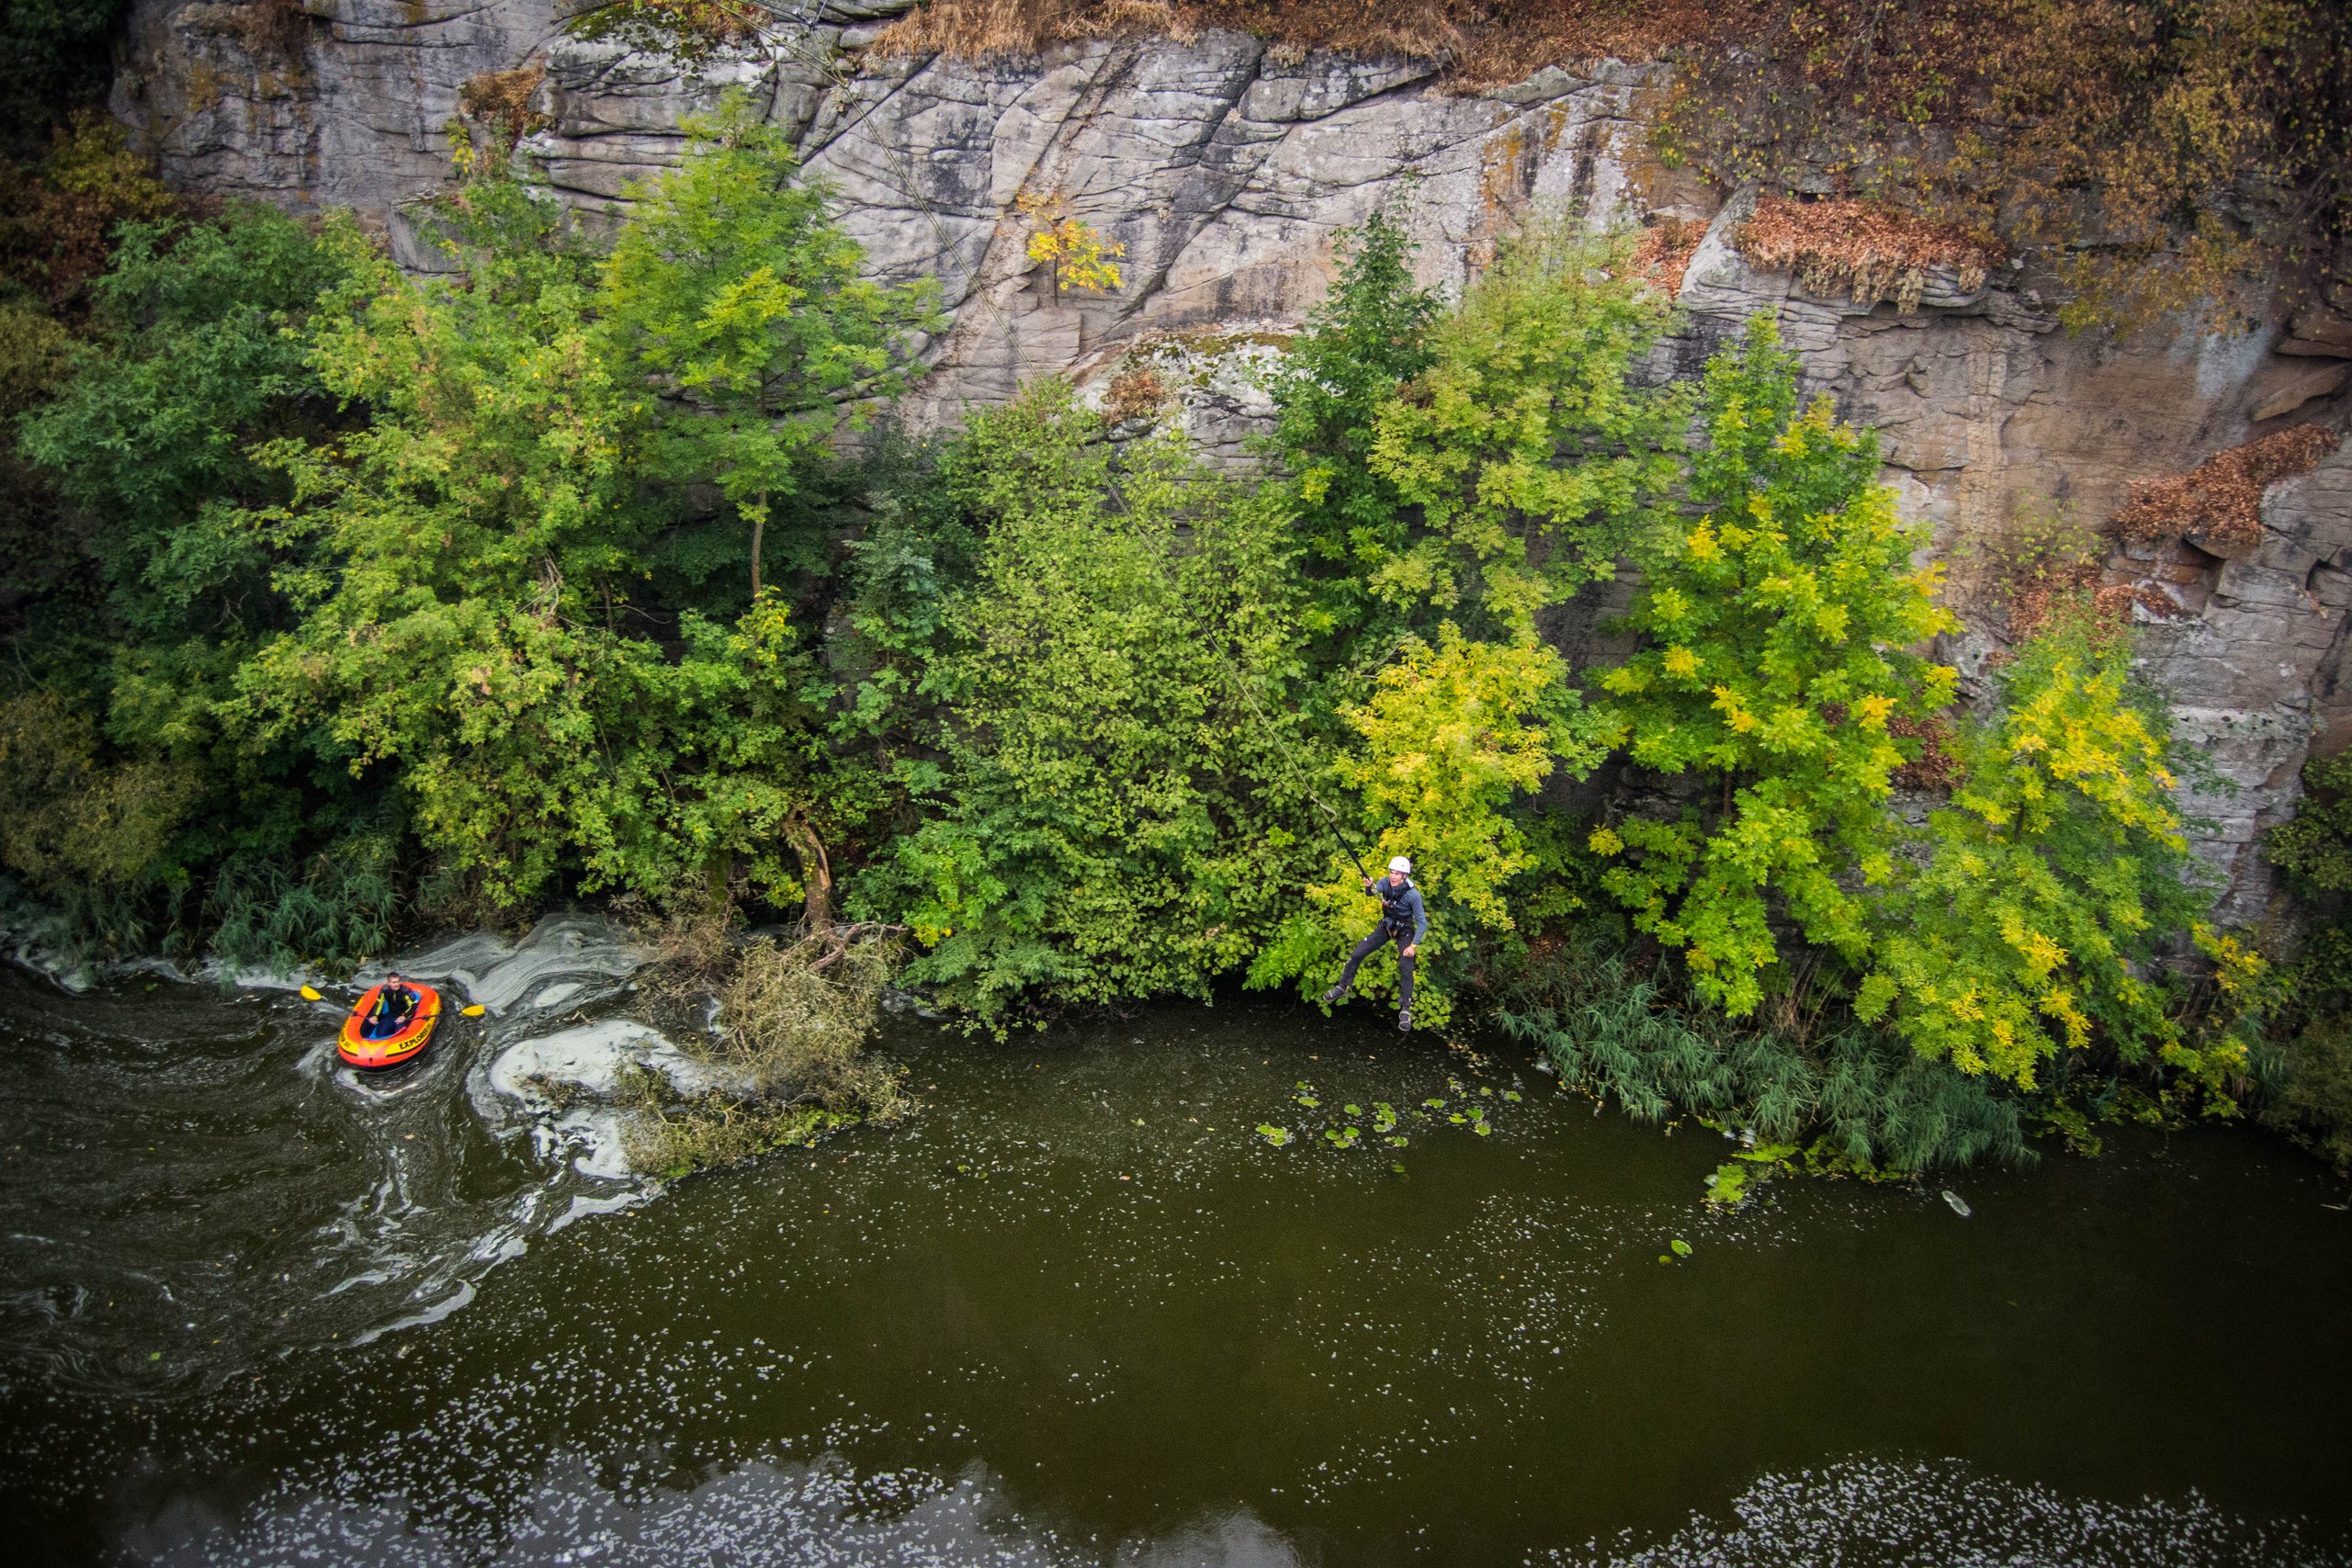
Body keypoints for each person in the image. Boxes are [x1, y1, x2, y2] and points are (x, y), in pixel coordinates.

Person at [1322, 856, 1427, 1032]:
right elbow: (1371, 893)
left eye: (1397, 874)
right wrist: (1367, 885)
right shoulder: (1385, 883)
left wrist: (1413, 945)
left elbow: (1423, 922)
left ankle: (1405, 1009)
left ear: (1404, 876)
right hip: (1387, 926)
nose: (1393, 877)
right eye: (1392, 872)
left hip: (1404, 930)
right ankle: (1342, 987)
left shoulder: (1413, 895)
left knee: (1406, 966)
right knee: (1357, 954)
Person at [363, 973, 419, 1040]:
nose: (397, 984)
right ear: (388, 983)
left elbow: (414, 1006)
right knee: (380, 1034)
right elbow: (379, 1003)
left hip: (404, 1016)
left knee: (399, 1035)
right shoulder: (384, 990)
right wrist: (375, 1015)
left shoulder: (405, 991)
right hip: (391, 1015)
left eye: (398, 981)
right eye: (394, 982)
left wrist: (404, 1016)